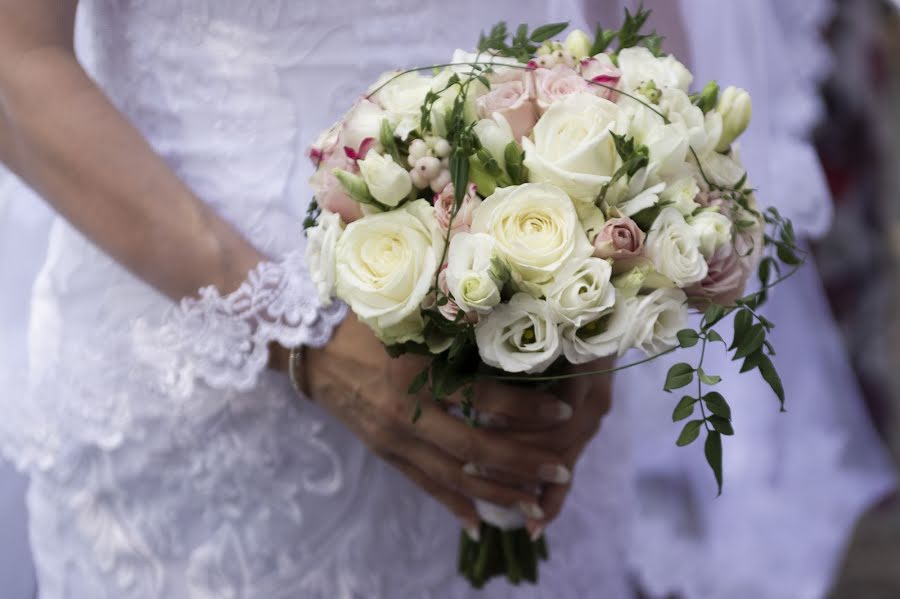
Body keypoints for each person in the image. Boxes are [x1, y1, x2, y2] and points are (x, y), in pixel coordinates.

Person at [0, 1, 893, 598]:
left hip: (547, 356)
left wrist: (629, 259)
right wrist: (295, 331)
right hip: (208, 378)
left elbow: (638, 15)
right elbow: (15, 52)